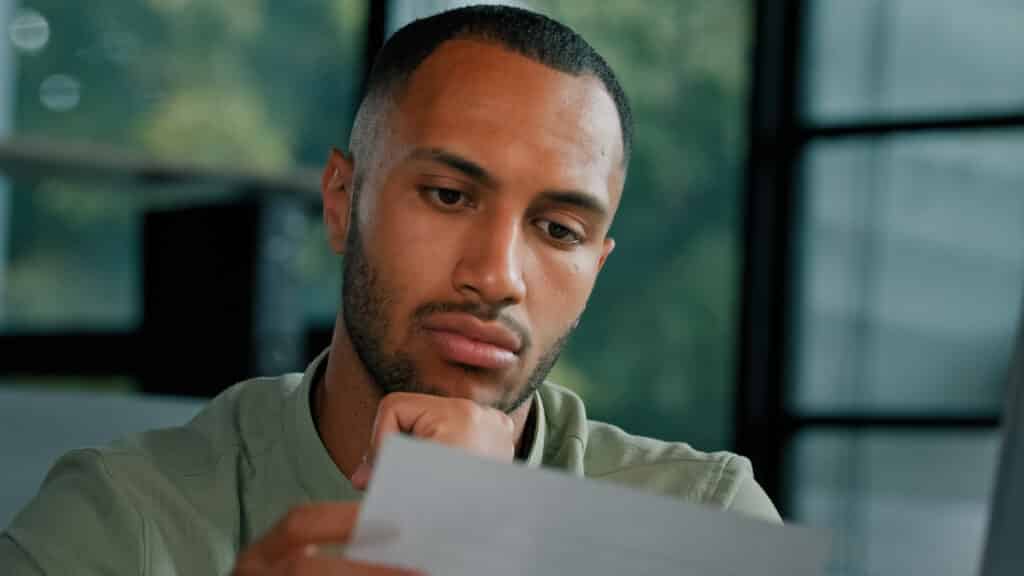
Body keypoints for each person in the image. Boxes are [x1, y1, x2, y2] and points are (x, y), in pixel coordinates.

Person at [1, 5, 780, 575]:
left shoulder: (699, 520)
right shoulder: (121, 519)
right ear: (342, 199)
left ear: (596, 269)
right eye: (448, 196)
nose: (497, 276)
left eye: (558, 231)